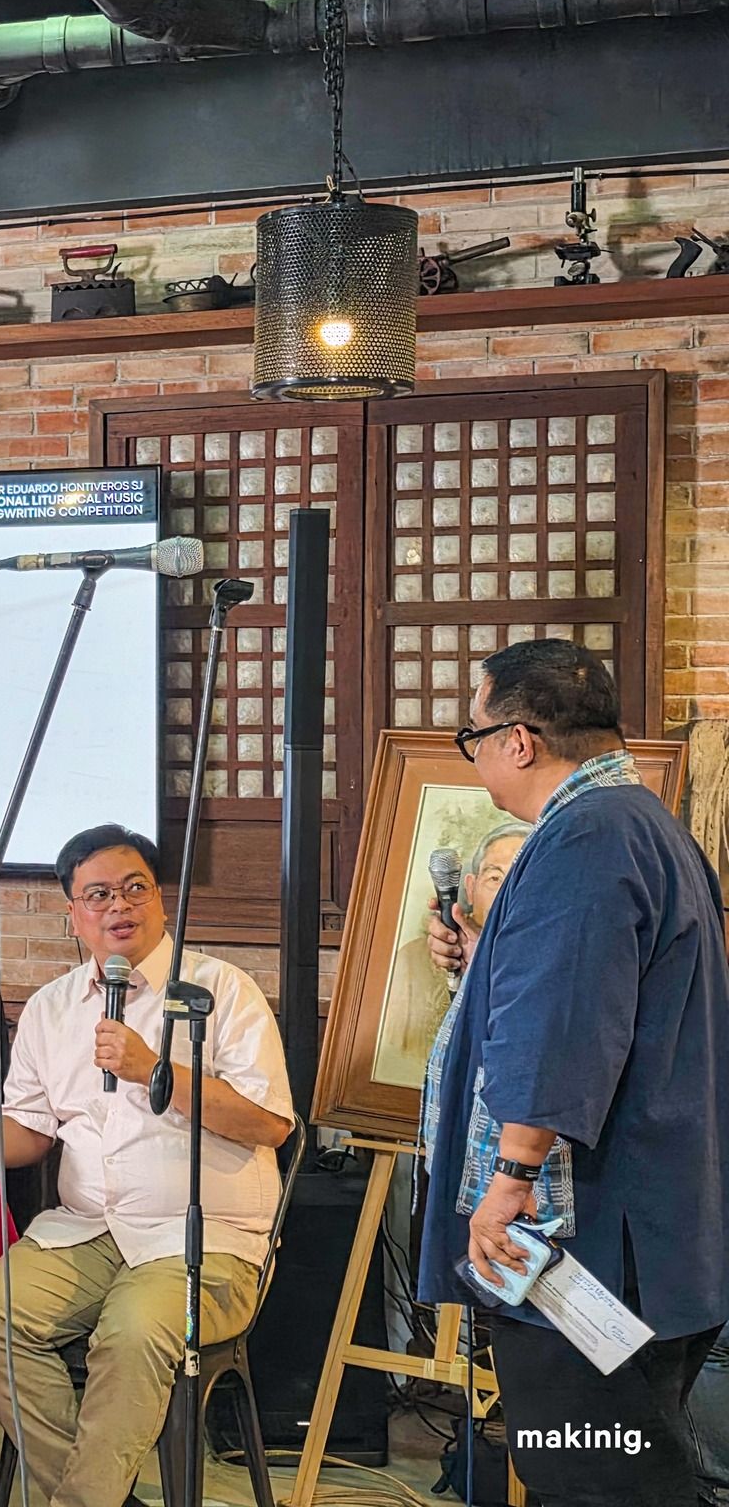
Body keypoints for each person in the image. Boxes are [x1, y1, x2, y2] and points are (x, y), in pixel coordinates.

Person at [417, 639, 729, 1507]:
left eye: (473, 734)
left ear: (517, 740)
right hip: (652, 1230)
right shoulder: (639, 821)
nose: (475, 753)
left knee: (589, 1471)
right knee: (615, 1462)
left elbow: (562, 1029)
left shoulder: (585, 837)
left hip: (590, 1240)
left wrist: (509, 1179)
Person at [0, 824, 292, 1507]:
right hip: (87, 1230)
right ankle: (101, 1498)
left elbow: (269, 1122)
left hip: (207, 1241)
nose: (118, 906)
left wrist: (156, 1070)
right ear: (74, 914)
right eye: (98, 895)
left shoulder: (219, 990)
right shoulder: (51, 1007)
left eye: (134, 889)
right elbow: (29, 1132)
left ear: (160, 898)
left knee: (132, 1330)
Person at [384, 820, 531, 1073]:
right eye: (495, 878)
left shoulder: (553, 966)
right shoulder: (413, 960)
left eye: (523, 879)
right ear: (470, 888)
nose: (507, 894)